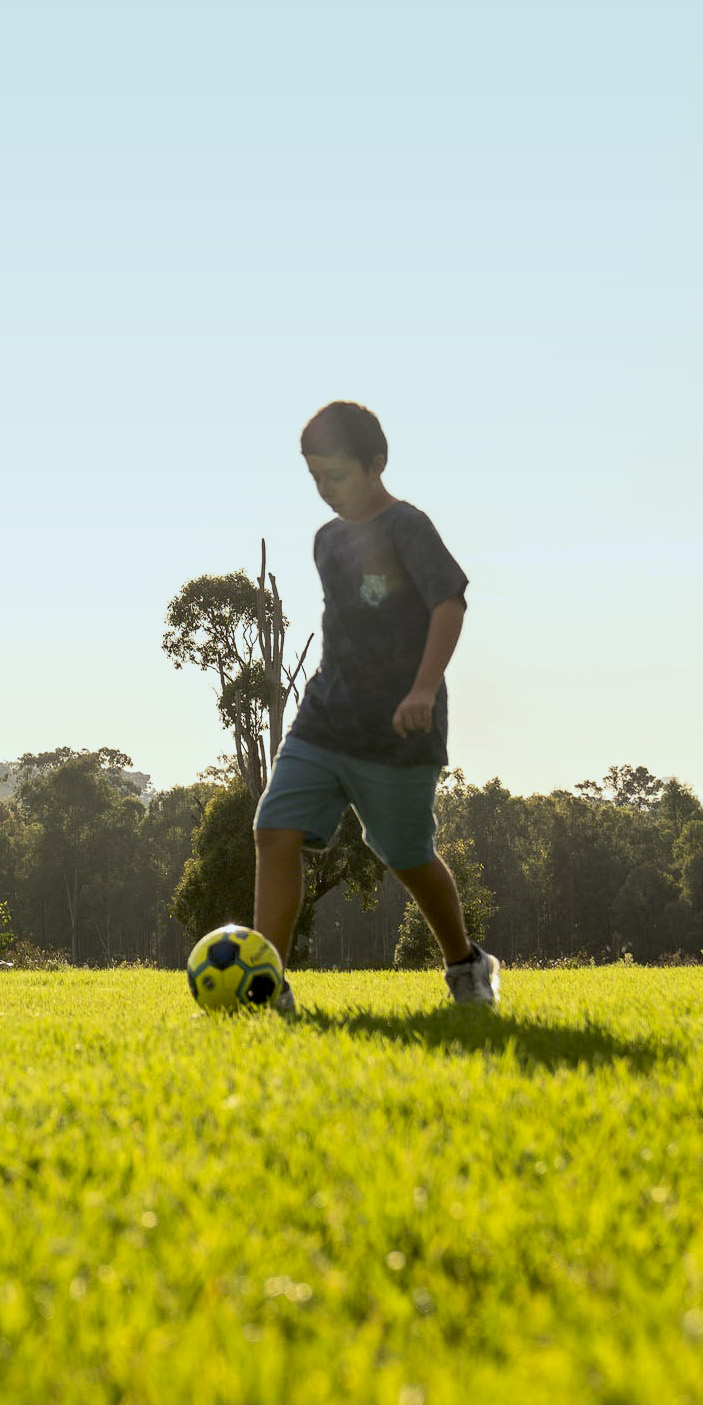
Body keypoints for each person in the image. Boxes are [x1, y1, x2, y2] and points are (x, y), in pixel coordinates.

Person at [255, 399, 502, 1013]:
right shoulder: (326, 541)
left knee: (407, 857)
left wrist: (422, 689)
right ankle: (265, 986)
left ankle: (467, 964)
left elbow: (449, 603)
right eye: (314, 478)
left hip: (399, 732)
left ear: (376, 464)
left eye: (335, 476)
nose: (324, 491)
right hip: (324, 720)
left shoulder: (408, 528)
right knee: (273, 830)